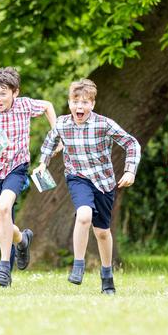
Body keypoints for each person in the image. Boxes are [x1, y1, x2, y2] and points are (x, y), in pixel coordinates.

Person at [35, 79, 139, 294]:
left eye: (84, 102)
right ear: (69, 103)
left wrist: (130, 170)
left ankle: (107, 275)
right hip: (77, 177)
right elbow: (49, 144)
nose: (79, 107)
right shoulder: (62, 124)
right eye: (75, 102)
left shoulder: (104, 124)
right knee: (83, 215)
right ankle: (78, 265)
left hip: (104, 183)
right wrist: (43, 164)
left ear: (92, 104)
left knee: (102, 233)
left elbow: (131, 143)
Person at [0, 67, 56, 287]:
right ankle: (22, 240)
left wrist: (56, 133)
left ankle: (4, 269)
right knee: (2, 222)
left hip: (17, 167)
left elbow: (47, 106)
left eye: (3, 94)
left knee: (4, 209)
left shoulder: (24, 105)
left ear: (15, 92)